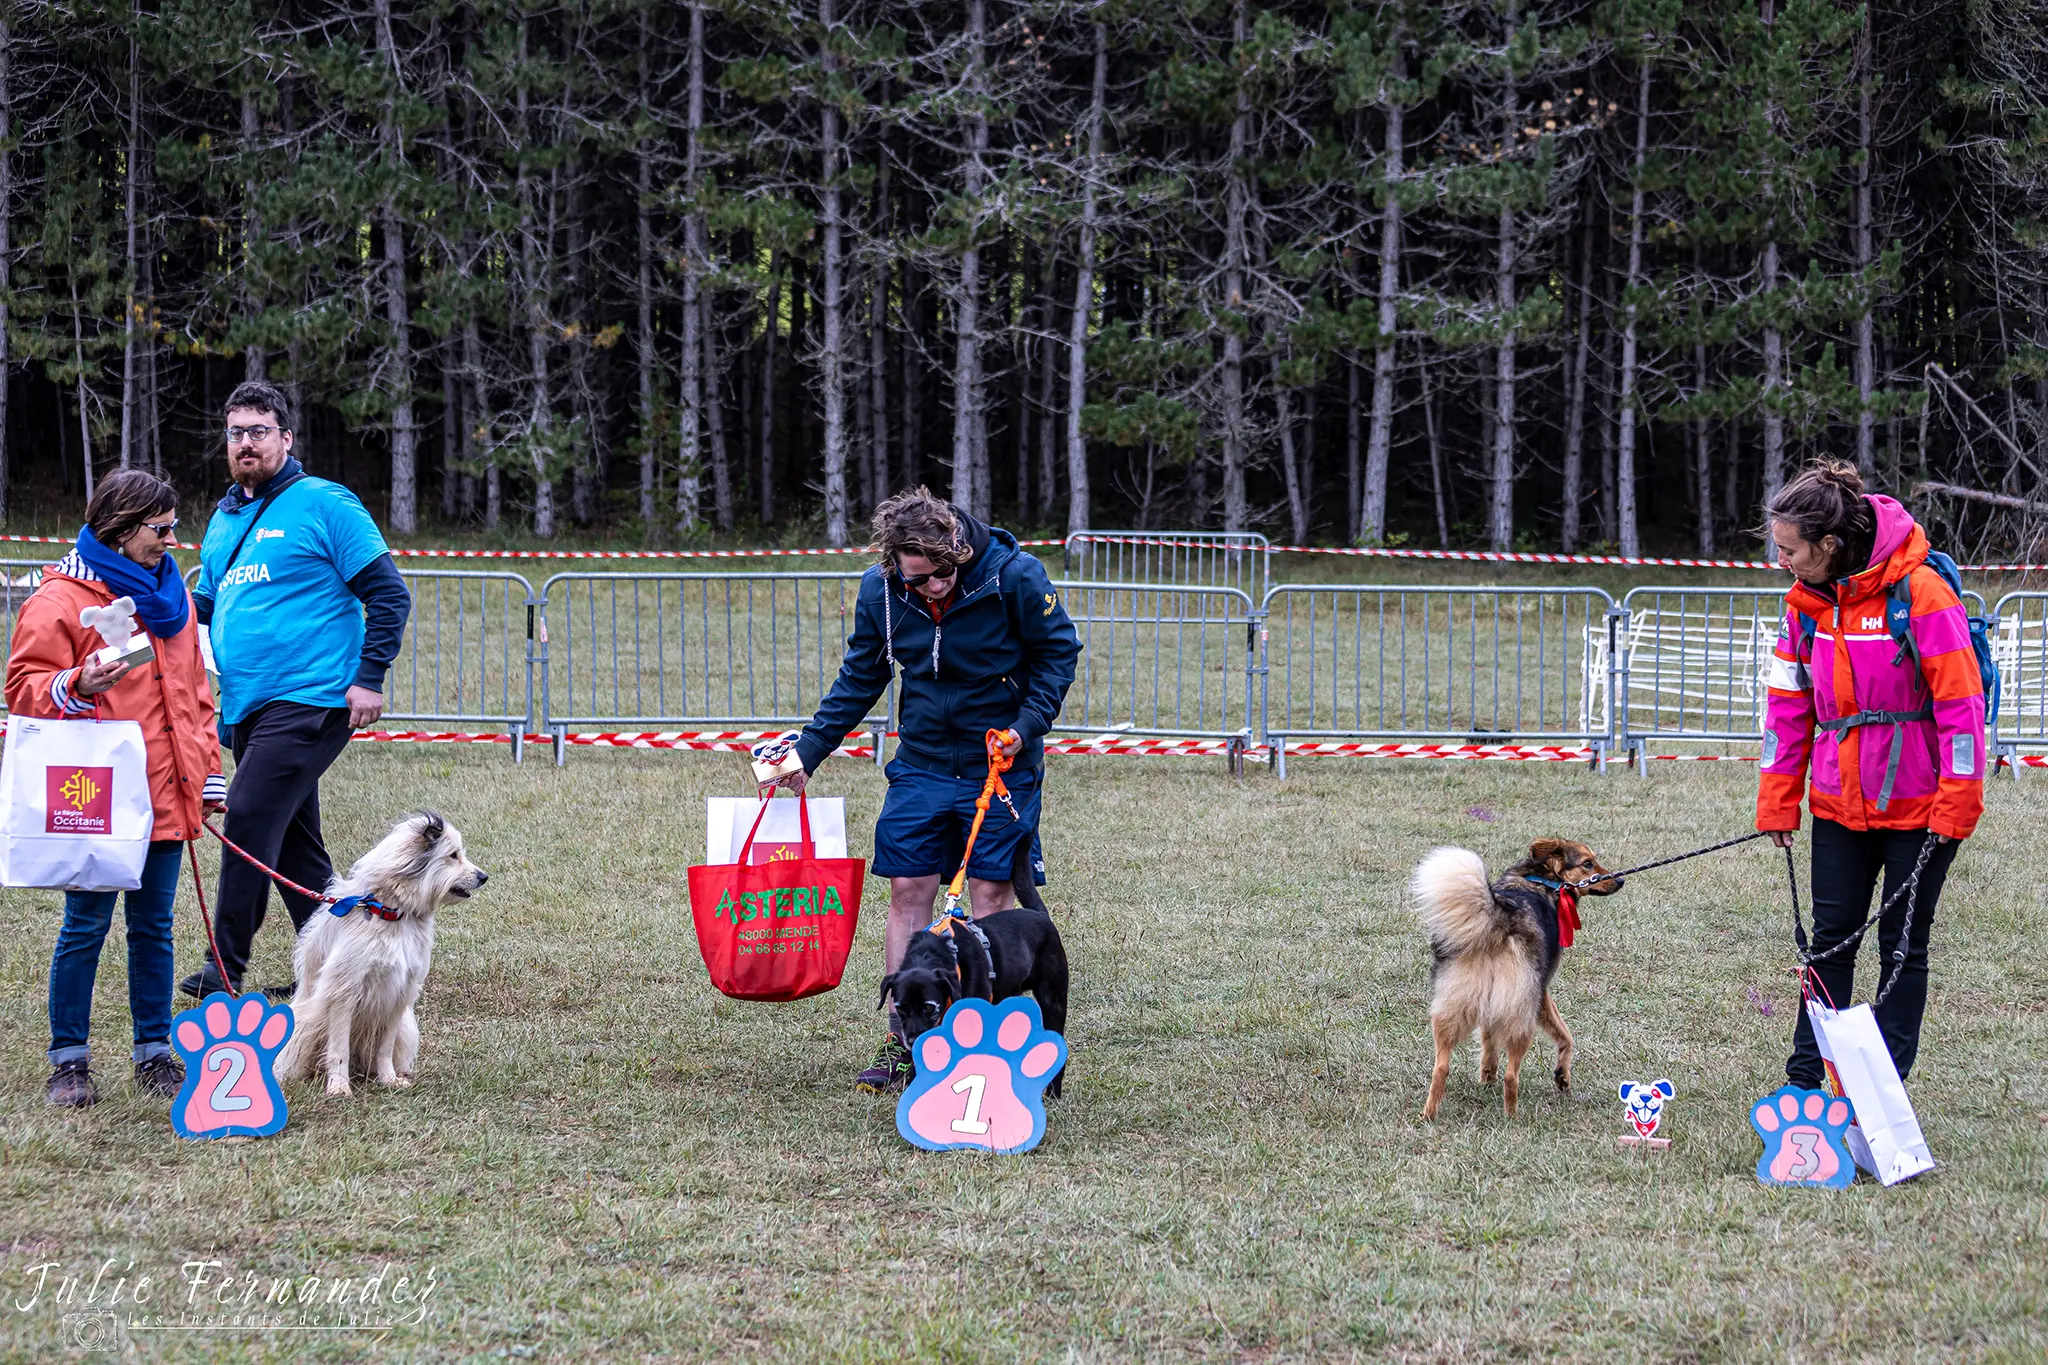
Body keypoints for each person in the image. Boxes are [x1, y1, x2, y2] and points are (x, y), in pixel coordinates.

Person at [765, 487, 1081, 1092]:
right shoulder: (882, 590)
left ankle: (978, 1048)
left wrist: (1025, 726)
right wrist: (808, 751)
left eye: (939, 577)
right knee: (909, 887)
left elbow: (1058, 655)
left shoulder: (1015, 576)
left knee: (988, 898)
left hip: (1001, 762)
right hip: (923, 762)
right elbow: (862, 675)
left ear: (956, 550)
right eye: (916, 581)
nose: (930, 590)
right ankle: (904, 1042)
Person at [176, 380, 412, 998]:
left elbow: (389, 594)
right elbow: (203, 607)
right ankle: (347, 956)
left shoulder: (325, 503)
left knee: (249, 815)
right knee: (292, 846)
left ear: (285, 437)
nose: (246, 443)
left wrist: (369, 678)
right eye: (236, 433)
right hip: (245, 707)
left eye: (259, 431)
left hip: (310, 699)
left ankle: (223, 968)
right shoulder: (226, 517)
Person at [1757, 460, 1984, 1091]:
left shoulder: (1924, 596)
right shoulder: (1804, 605)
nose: (1784, 562)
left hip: (1922, 810)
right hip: (1836, 805)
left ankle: (1880, 1093)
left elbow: (1961, 710)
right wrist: (1778, 800)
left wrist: (1957, 807)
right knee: (1828, 945)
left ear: (1829, 545)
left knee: (1901, 948)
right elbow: (1787, 705)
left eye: (1791, 550)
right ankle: (1804, 1084)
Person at [6, 471, 225, 1107]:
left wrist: (205, 774)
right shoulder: (61, 600)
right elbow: (20, 686)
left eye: (173, 527)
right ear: (122, 529)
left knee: (154, 927)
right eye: (160, 530)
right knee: (86, 925)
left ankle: (154, 1051)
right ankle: (68, 1061)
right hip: (97, 797)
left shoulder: (172, 600)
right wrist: (77, 682)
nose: (171, 540)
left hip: (164, 789)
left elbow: (194, 695)